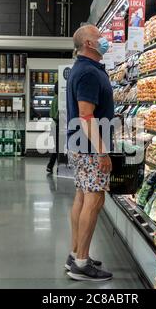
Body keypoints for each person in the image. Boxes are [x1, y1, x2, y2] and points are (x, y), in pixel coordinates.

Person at [64, 24, 114, 281]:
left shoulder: (84, 69)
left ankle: (75, 254)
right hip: (89, 148)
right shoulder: (88, 73)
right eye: (99, 36)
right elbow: (86, 115)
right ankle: (82, 264)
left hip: (80, 146)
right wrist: (102, 152)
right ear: (89, 44)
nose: (104, 39)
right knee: (94, 200)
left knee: (82, 198)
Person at [47, 82, 59, 173]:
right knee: (59, 148)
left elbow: (51, 113)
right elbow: (58, 114)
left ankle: (50, 166)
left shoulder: (54, 98)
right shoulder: (60, 99)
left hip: (53, 125)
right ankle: (58, 167)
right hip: (58, 125)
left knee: (56, 148)